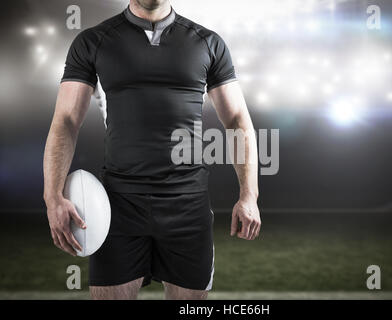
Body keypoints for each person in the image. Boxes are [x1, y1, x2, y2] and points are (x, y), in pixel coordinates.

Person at [43, 0, 260, 300]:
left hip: (187, 204)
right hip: (118, 205)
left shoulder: (207, 42)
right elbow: (66, 121)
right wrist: (52, 195)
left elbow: (237, 120)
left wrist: (249, 195)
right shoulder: (94, 41)